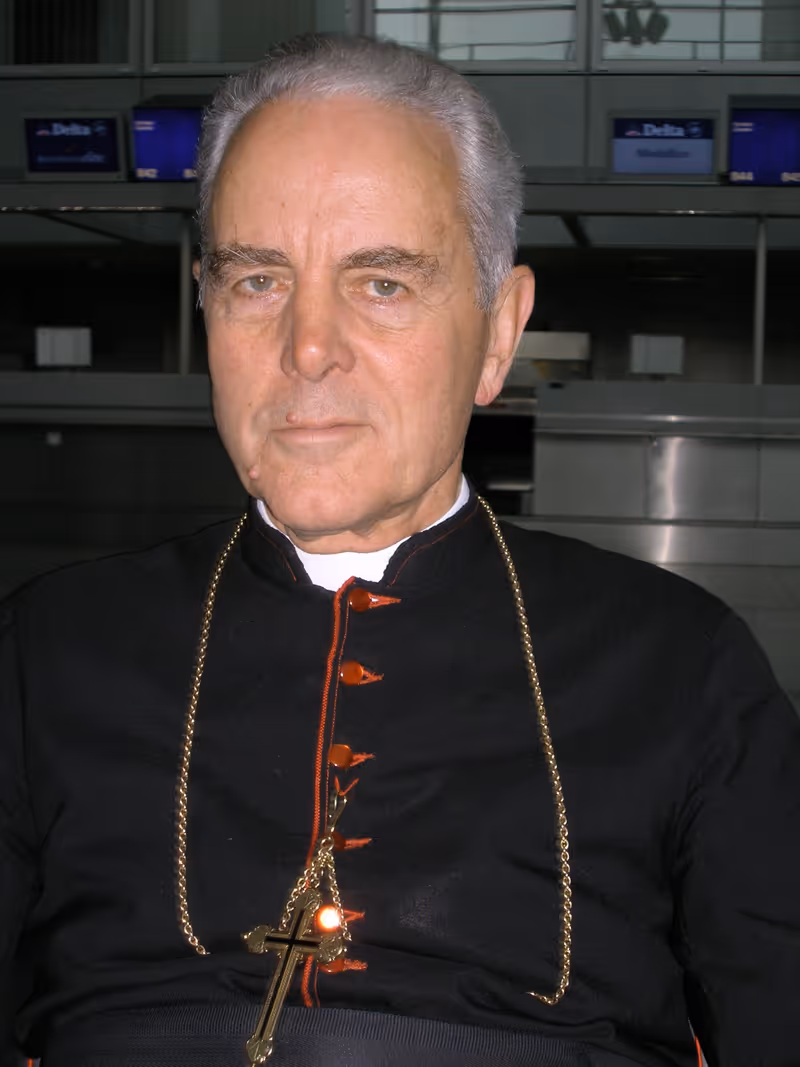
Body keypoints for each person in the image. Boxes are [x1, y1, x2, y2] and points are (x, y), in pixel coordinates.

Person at [1, 33, 799, 1067]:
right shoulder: (44, 650)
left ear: (498, 334)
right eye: (257, 280)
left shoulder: (680, 663)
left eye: (381, 283)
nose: (307, 348)